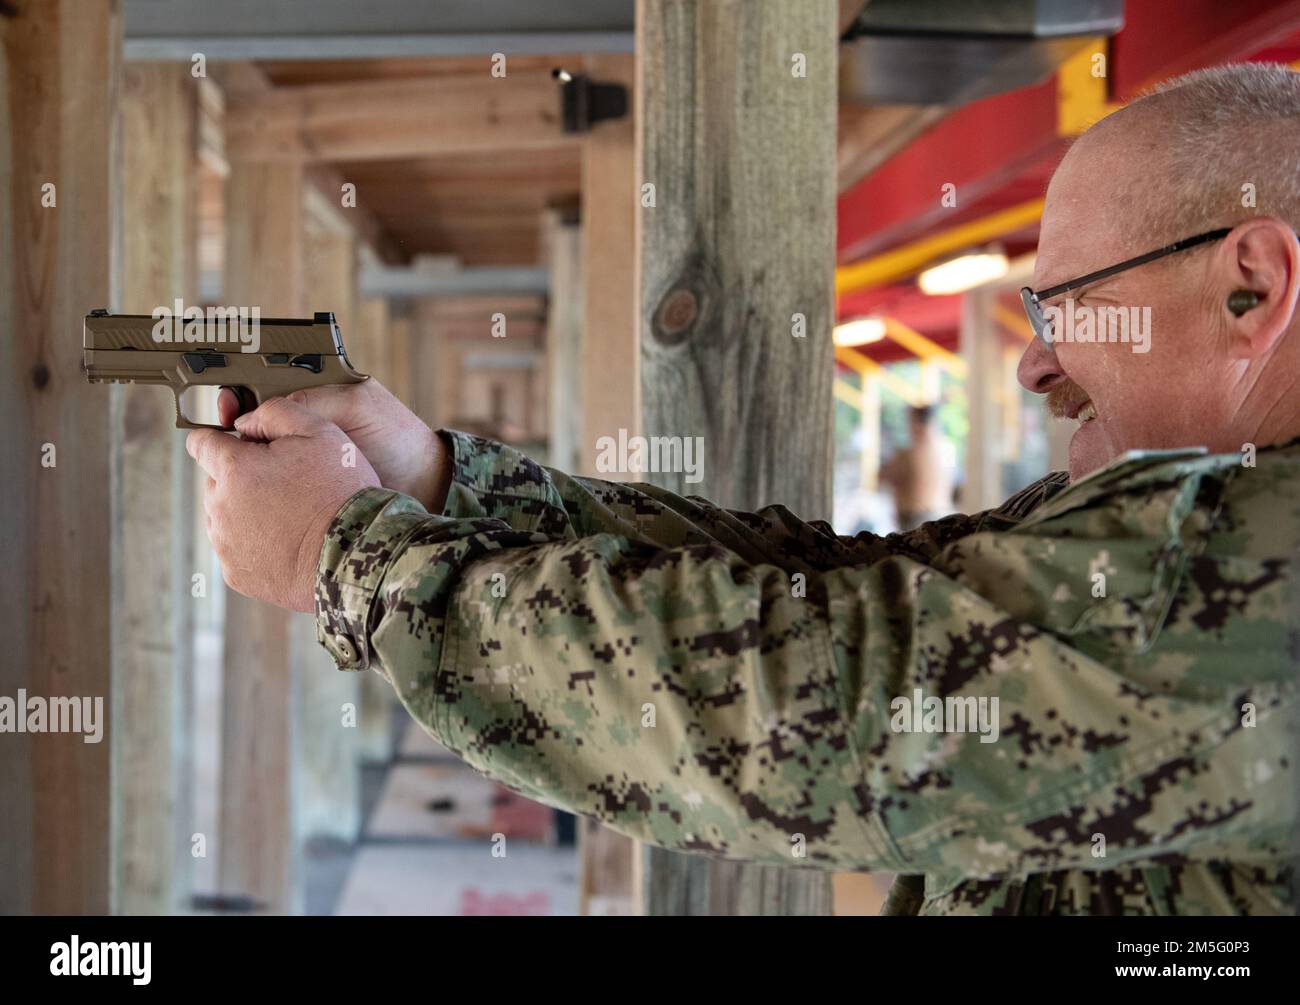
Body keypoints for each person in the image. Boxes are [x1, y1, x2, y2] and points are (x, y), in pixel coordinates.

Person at [188, 63, 1300, 915]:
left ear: (1250, 291)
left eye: (1066, 309)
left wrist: (343, 557)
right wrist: (439, 481)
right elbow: (841, 586)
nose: (1035, 363)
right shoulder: (1203, 518)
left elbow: (814, 702)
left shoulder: (1251, 557)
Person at [879, 403, 957, 530]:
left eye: (910, 421)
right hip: (941, 514)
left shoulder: (910, 454)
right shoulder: (947, 450)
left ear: (916, 423)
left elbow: (882, 478)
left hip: (916, 520)